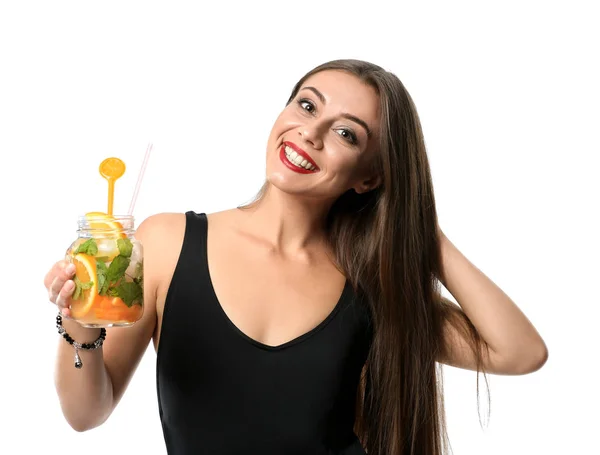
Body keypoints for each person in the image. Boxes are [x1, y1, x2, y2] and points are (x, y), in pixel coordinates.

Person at [44, 59, 548, 455]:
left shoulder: (370, 285)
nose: (311, 132)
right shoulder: (166, 242)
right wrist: (81, 322)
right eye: (307, 106)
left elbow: (520, 352)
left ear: (368, 178)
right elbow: (87, 414)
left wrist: (418, 226)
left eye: (346, 133)